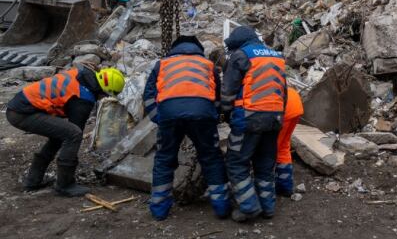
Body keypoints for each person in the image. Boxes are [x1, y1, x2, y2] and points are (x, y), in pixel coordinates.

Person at [143, 35, 230, 221]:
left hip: (169, 113)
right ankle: (222, 207)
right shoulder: (208, 65)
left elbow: (149, 94)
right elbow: (217, 97)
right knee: (211, 157)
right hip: (202, 113)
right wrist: (212, 117)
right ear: (198, 48)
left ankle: (159, 210)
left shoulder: (162, 64)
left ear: (174, 48)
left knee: (164, 159)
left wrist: (157, 117)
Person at [6, 66, 125, 196]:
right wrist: (72, 161)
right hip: (23, 113)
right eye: (105, 95)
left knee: (62, 133)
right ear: (104, 90)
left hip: (20, 105)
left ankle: (33, 180)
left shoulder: (81, 73)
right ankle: (65, 184)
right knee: (73, 134)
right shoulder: (84, 98)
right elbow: (76, 131)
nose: (102, 98)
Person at [222, 25, 288, 222]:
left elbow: (228, 93)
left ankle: (249, 207)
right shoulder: (276, 56)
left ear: (238, 44)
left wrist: (224, 113)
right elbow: (282, 90)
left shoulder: (241, 55)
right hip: (275, 118)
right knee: (265, 165)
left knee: (236, 163)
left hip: (248, 118)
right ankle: (268, 208)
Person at [275, 87, 304, 197]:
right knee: (283, 146)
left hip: (284, 108)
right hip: (294, 101)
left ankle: (274, 186)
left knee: (272, 149)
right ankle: (286, 186)